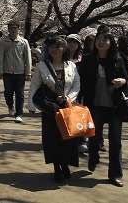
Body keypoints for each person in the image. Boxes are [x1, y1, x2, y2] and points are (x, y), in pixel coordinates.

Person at [78, 27, 128, 187]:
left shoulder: (117, 60)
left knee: (115, 142)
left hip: (114, 107)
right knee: (94, 137)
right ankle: (93, 158)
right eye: (98, 39)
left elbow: (127, 80)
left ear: (110, 43)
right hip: (95, 106)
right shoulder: (87, 59)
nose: (101, 42)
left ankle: (115, 174)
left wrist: (123, 81)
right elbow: (80, 83)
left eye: (105, 40)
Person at [27, 36, 80, 183]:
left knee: (67, 138)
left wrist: (69, 98)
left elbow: (76, 85)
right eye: (51, 47)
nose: (54, 50)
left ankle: (65, 163)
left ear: (64, 49)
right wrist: (31, 104)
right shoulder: (42, 66)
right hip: (50, 107)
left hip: (67, 107)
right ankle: (57, 168)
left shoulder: (71, 65)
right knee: (52, 139)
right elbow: (35, 85)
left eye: (57, 47)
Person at [0, 21, 32, 123]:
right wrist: (0, 71)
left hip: (20, 72)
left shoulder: (23, 42)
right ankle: (10, 106)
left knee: (20, 93)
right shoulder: (2, 41)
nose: (13, 30)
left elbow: (27, 58)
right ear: (8, 29)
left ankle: (19, 114)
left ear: (18, 29)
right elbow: (0, 57)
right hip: (7, 71)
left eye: (15, 28)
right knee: (8, 92)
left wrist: (28, 72)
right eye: (11, 28)